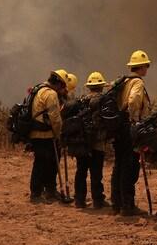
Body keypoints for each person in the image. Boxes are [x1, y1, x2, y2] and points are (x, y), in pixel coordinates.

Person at [111, 49, 153, 216]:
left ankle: (116, 203)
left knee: (119, 166)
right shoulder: (137, 83)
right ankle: (127, 206)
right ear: (141, 67)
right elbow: (134, 101)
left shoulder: (122, 81)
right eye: (146, 65)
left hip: (119, 128)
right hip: (128, 128)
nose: (147, 68)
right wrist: (135, 121)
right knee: (130, 167)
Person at [28, 70, 72, 204]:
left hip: (36, 133)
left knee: (47, 162)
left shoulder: (39, 89)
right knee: (44, 163)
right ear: (58, 83)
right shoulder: (51, 94)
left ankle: (49, 191)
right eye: (63, 86)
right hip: (45, 134)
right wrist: (59, 134)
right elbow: (55, 118)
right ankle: (37, 194)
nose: (63, 89)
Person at [74, 71, 108, 208]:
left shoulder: (82, 100)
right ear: (101, 86)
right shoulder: (103, 101)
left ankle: (79, 200)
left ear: (89, 87)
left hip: (82, 143)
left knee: (81, 171)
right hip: (98, 143)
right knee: (96, 173)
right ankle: (97, 200)